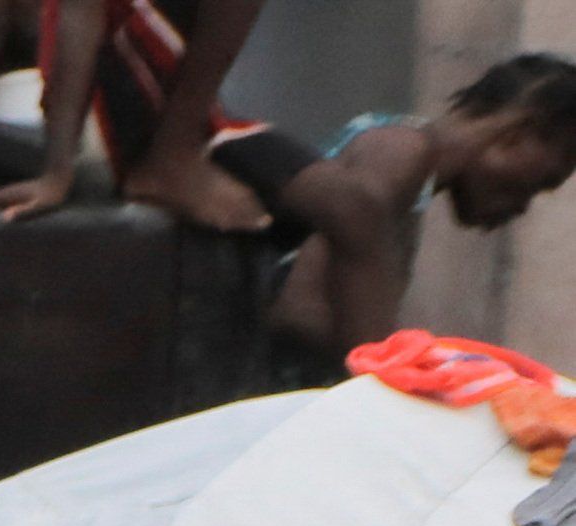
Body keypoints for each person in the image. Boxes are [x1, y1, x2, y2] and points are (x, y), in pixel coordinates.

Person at [238, 61, 576, 364]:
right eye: (541, 182)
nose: (522, 206)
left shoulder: (411, 170)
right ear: (516, 134)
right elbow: (299, 309)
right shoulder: (401, 153)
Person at [0, 0, 282, 235]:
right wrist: (56, 173)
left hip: (178, 130)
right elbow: (78, 15)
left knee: (327, 201)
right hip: (124, 138)